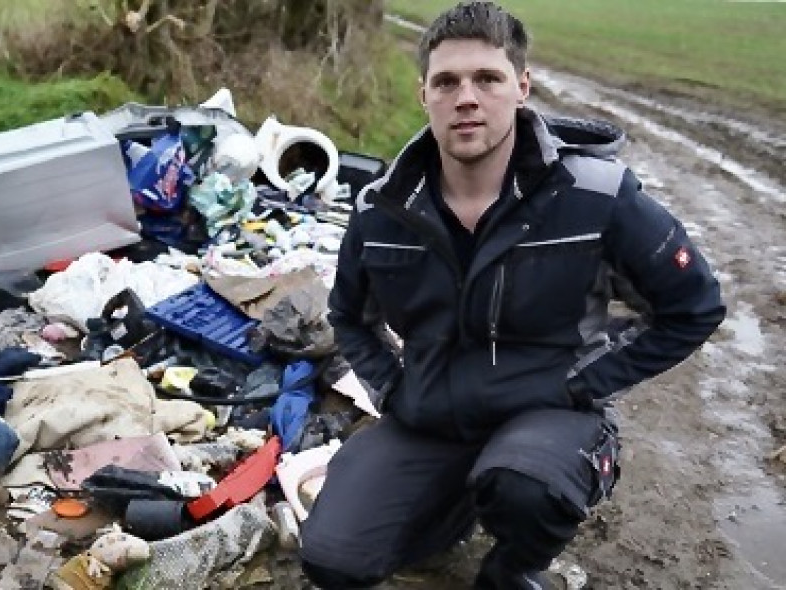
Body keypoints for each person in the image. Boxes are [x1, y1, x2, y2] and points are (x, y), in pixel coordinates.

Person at [298, 2, 726, 589]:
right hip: (431, 418)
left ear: (521, 87)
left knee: (527, 489)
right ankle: (451, 506)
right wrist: (394, 387)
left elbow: (692, 307)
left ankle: (513, 566)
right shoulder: (382, 209)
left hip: (545, 415)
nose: (466, 97)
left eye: (487, 79)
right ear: (424, 93)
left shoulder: (596, 195)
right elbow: (347, 315)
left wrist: (585, 383)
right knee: (332, 560)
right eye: (446, 81)